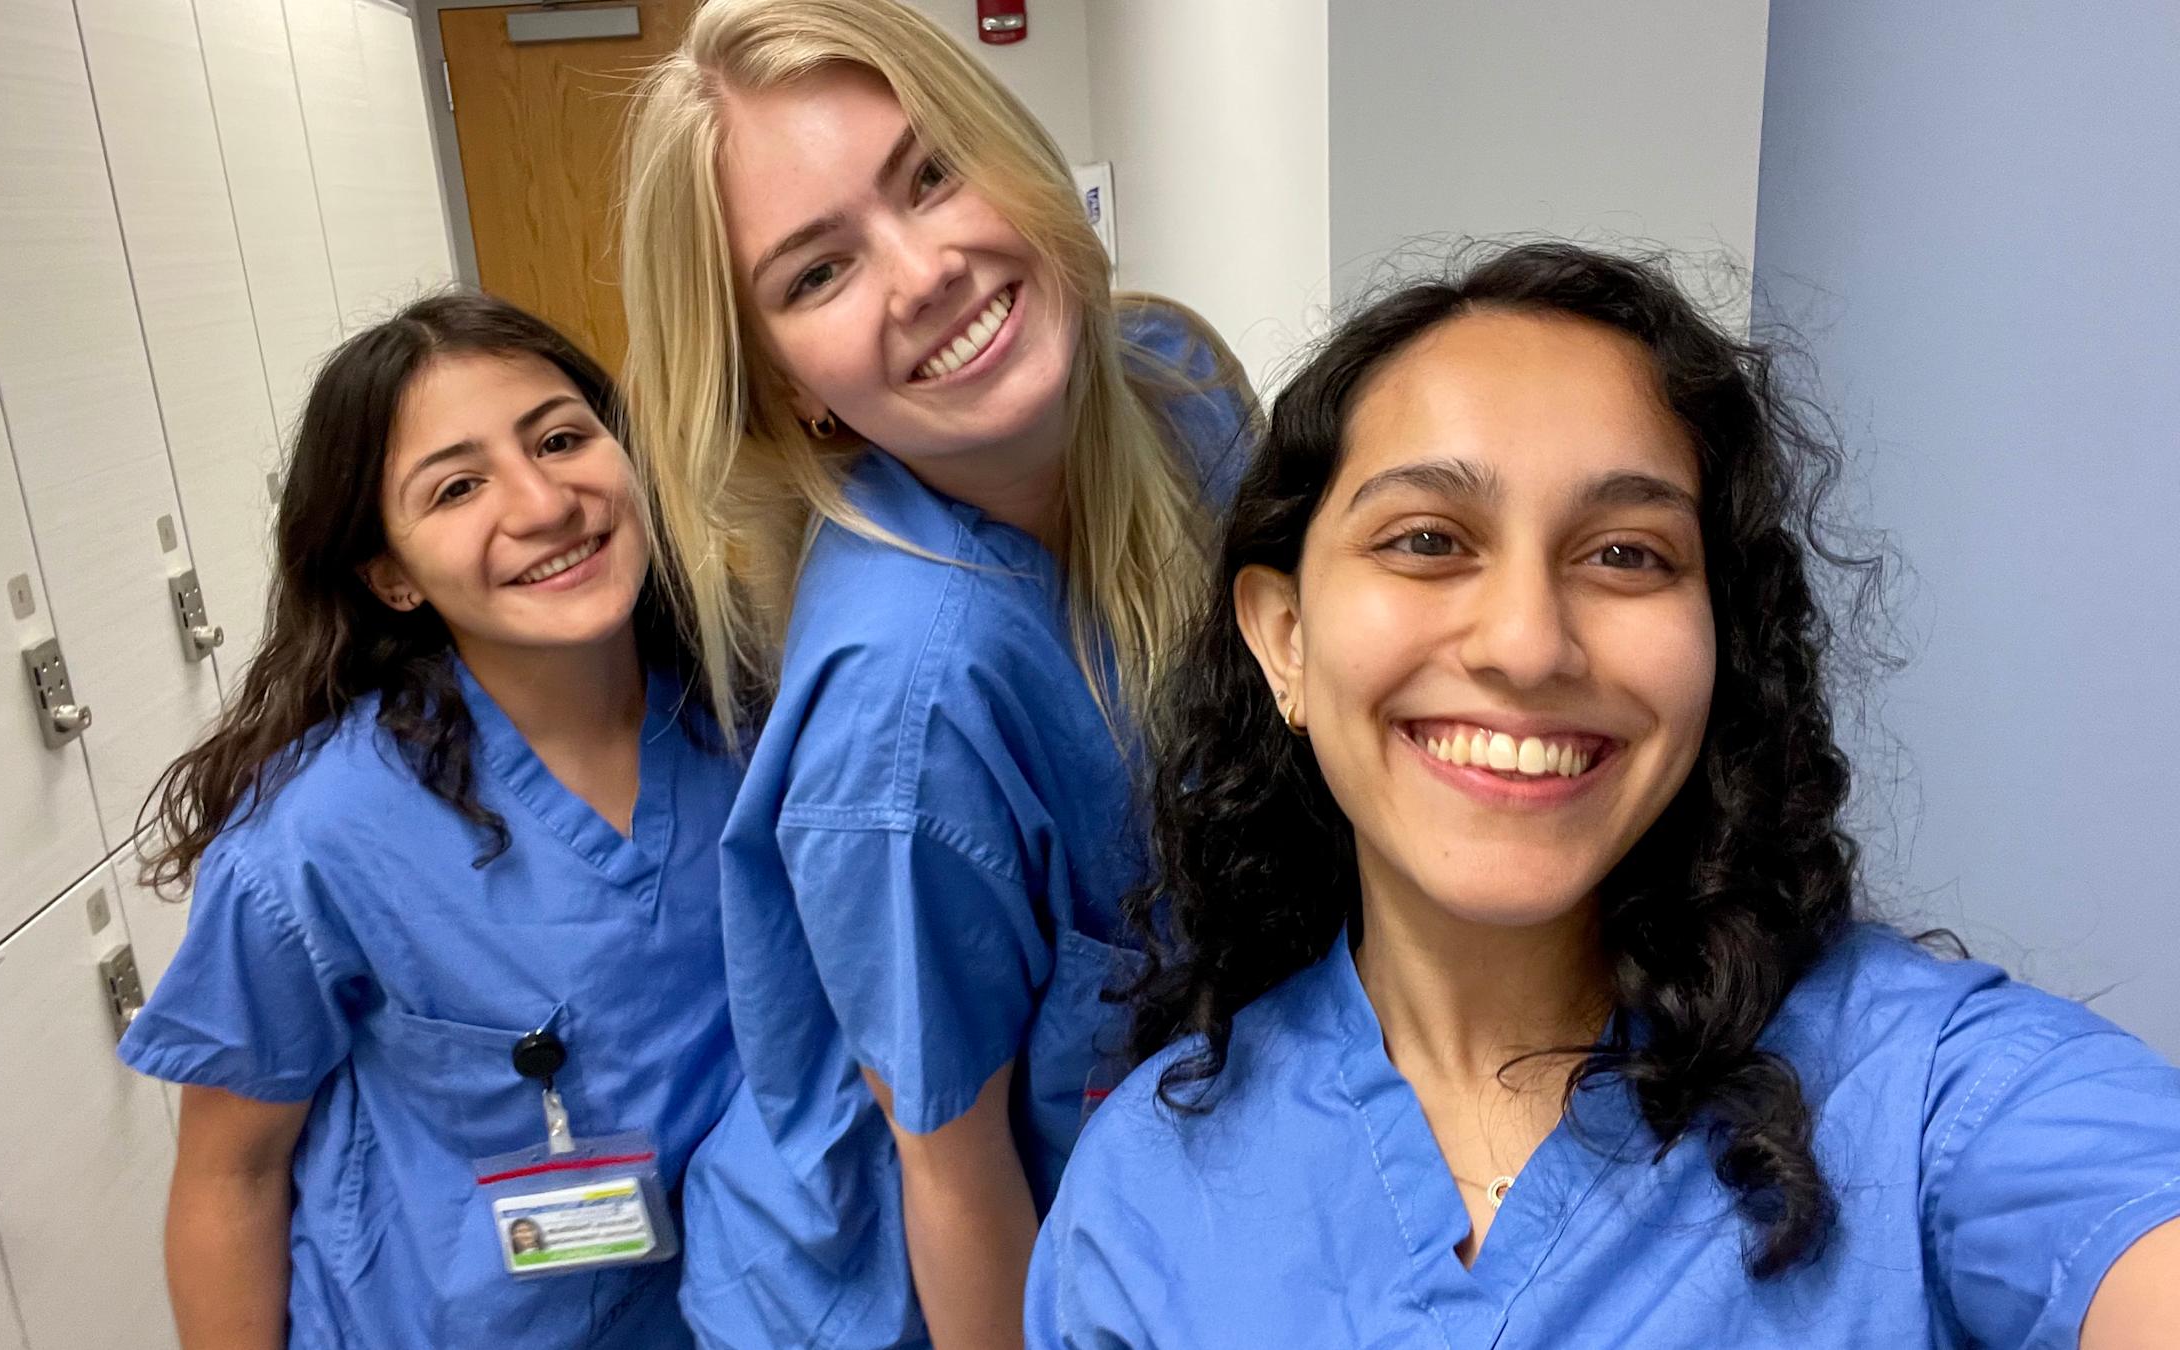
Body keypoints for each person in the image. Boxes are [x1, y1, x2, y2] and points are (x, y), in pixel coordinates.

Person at [1025, 242, 2180, 1347]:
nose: (1528, 645)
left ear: (1720, 640)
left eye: (1627, 554)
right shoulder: (1142, 1198)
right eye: (1428, 539)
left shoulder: (1928, 1097)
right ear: (1284, 640)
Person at [619, 0, 1256, 1343]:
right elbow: (957, 1180)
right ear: (788, 384)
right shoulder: (908, 708)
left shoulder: (1182, 390)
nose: (924, 272)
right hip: (912, 1284)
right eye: (816, 273)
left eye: (930, 172)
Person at [118, 294, 742, 1349]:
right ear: (391, 574)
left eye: (559, 438)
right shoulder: (323, 837)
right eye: (456, 487)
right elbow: (233, 1171)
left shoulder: (752, 726)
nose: (543, 502)